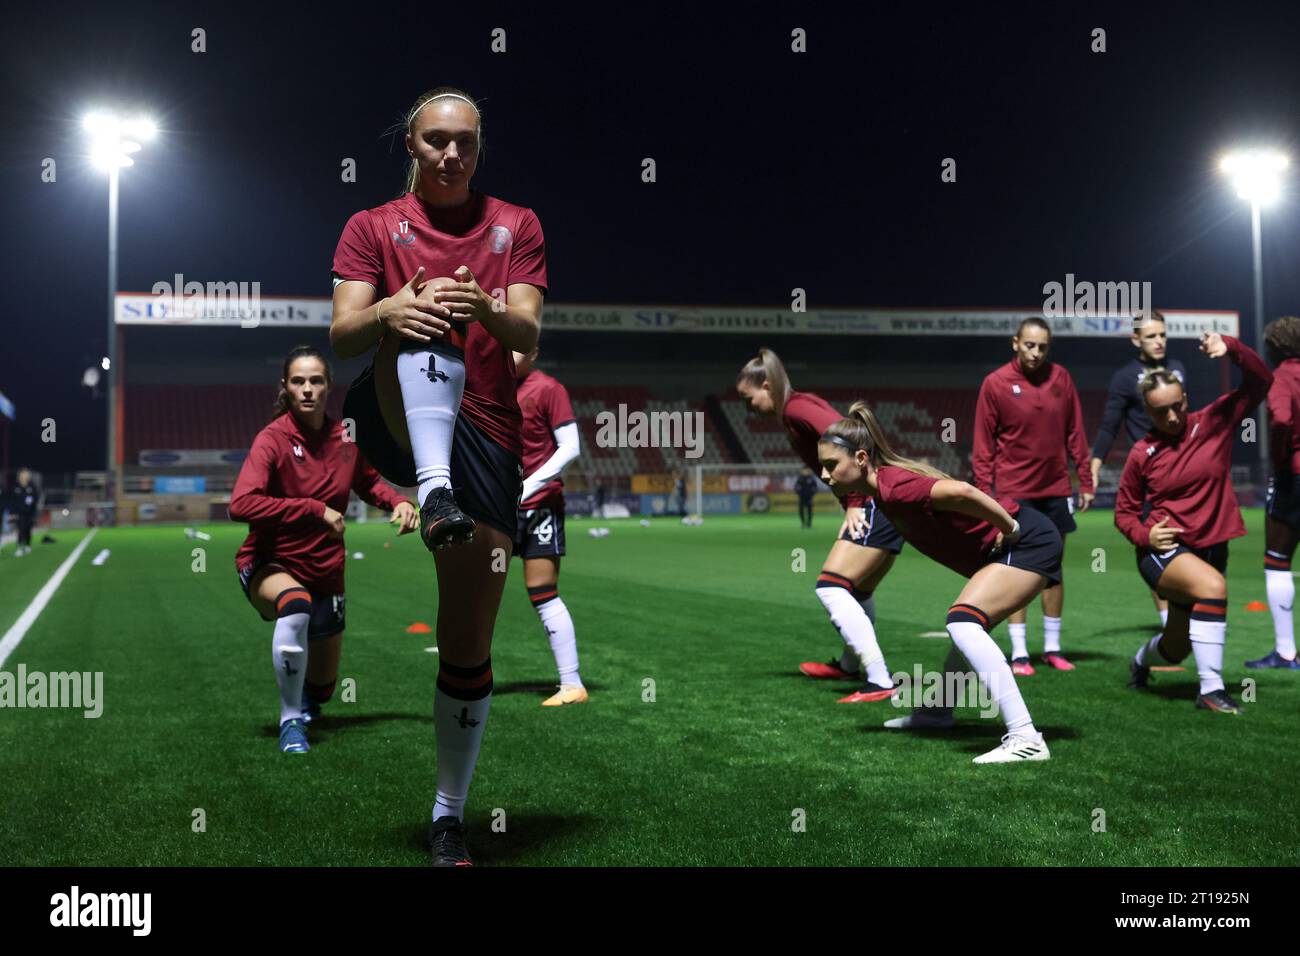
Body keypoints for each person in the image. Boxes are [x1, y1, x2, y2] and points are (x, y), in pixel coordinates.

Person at [330, 85, 547, 866]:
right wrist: (388, 308)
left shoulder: (515, 223)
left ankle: (448, 812)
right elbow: (343, 331)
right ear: (411, 147)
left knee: (466, 638)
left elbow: (528, 327)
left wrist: (483, 305)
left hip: (490, 435)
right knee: (417, 317)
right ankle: (431, 487)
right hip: (398, 417)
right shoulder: (369, 226)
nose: (452, 154)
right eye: (436, 141)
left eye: (465, 142)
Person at [819, 403, 1057, 762]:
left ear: (862, 458)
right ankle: (937, 712)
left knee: (963, 622)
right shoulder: (882, 494)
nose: (824, 474)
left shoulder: (894, 487)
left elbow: (962, 492)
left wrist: (1009, 528)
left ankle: (1026, 737)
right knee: (966, 629)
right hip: (1015, 544)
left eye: (831, 465)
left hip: (1029, 541)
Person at [229, 346, 419, 755]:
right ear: (286, 387)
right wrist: (315, 511)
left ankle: (308, 702)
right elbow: (240, 504)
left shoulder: (345, 436)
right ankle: (289, 721)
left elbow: (368, 483)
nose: (308, 389)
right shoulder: (273, 439)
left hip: (326, 571)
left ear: (329, 385)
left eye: (316, 380)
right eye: (298, 381)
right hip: (269, 562)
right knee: (294, 604)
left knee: (324, 688)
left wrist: (400, 501)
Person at [1116, 333, 1272, 713]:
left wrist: (1232, 348)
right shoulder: (1143, 453)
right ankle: (1210, 690)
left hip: (1212, 546)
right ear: (1147, 413)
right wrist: (1144, 534)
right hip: (1164, 552)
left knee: (1177, 645)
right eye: (1159, 412)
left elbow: (1261, 382)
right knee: (1213, 587)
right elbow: (1124, 511)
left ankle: (1140, 661)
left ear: (1185, 398)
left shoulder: (1215, 421)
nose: (1170, 417)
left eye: (1174, 406)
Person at [736, 348, 900, 703]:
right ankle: (848, 666)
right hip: (880, 500)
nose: (747, 408)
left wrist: (856, 502)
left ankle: (880, 679)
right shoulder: (794, 410)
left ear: (767, 385)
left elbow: (850, 436)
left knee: (831, 587)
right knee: (859, 591)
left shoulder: (797, 408)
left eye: (749, 399)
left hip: (872, 501)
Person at [973, 317, 1094, 675]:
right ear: (1015, 343)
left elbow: (1076, 432)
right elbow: (983, 447)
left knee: (1053, 570)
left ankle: (1053, 648)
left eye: (1043, 347)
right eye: (1029, 345)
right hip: (1014, 494)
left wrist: (1084, 480)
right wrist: (983, 499)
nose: (1036, 353)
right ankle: (1020, 651)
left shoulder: (1062, 378)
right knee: (1017, 570)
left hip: (1056, 489)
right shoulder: (995, 384)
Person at [1090, 310, 1188, 632]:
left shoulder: (1178, 369)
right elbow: (1109, 425)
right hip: (1150, 478)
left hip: (1186, 474)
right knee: (1155, 546)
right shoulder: (1123, 378)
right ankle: (1167, 625)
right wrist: (1094, 465)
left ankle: (1190, 614)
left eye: (1162, 334)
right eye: (1151, 336)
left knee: (1193, 544)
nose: (1159, 341)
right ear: (1136, 339)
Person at [513, 347, 587, 704]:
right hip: (494, 507)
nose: (508, 353)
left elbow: (570, 447)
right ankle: (470, 676)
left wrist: (529, 486)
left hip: (538, 507)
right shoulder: (484, 388)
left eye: (517, 346)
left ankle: (571, 684)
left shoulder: (548, 389)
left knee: (542, 591)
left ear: (535, 352)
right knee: (478, 594)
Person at [1252, 316, 1300, 669]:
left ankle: (1286, 652)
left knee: (1277, 560)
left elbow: (1282, 420)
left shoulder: (1281, 377)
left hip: (1293, 477)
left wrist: (1281, 457)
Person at [7, 468, 38, 557]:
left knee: (28, 529)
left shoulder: (31, 487)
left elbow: (35, 499)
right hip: (18, 513)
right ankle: (20, 547)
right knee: (21, 530)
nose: (24, 476)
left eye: (26, 474)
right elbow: (11, 500)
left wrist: (34, 511)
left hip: (29, 512)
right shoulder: (15, 487)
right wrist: (12, 513)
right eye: (22, 474)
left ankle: (27, 545)